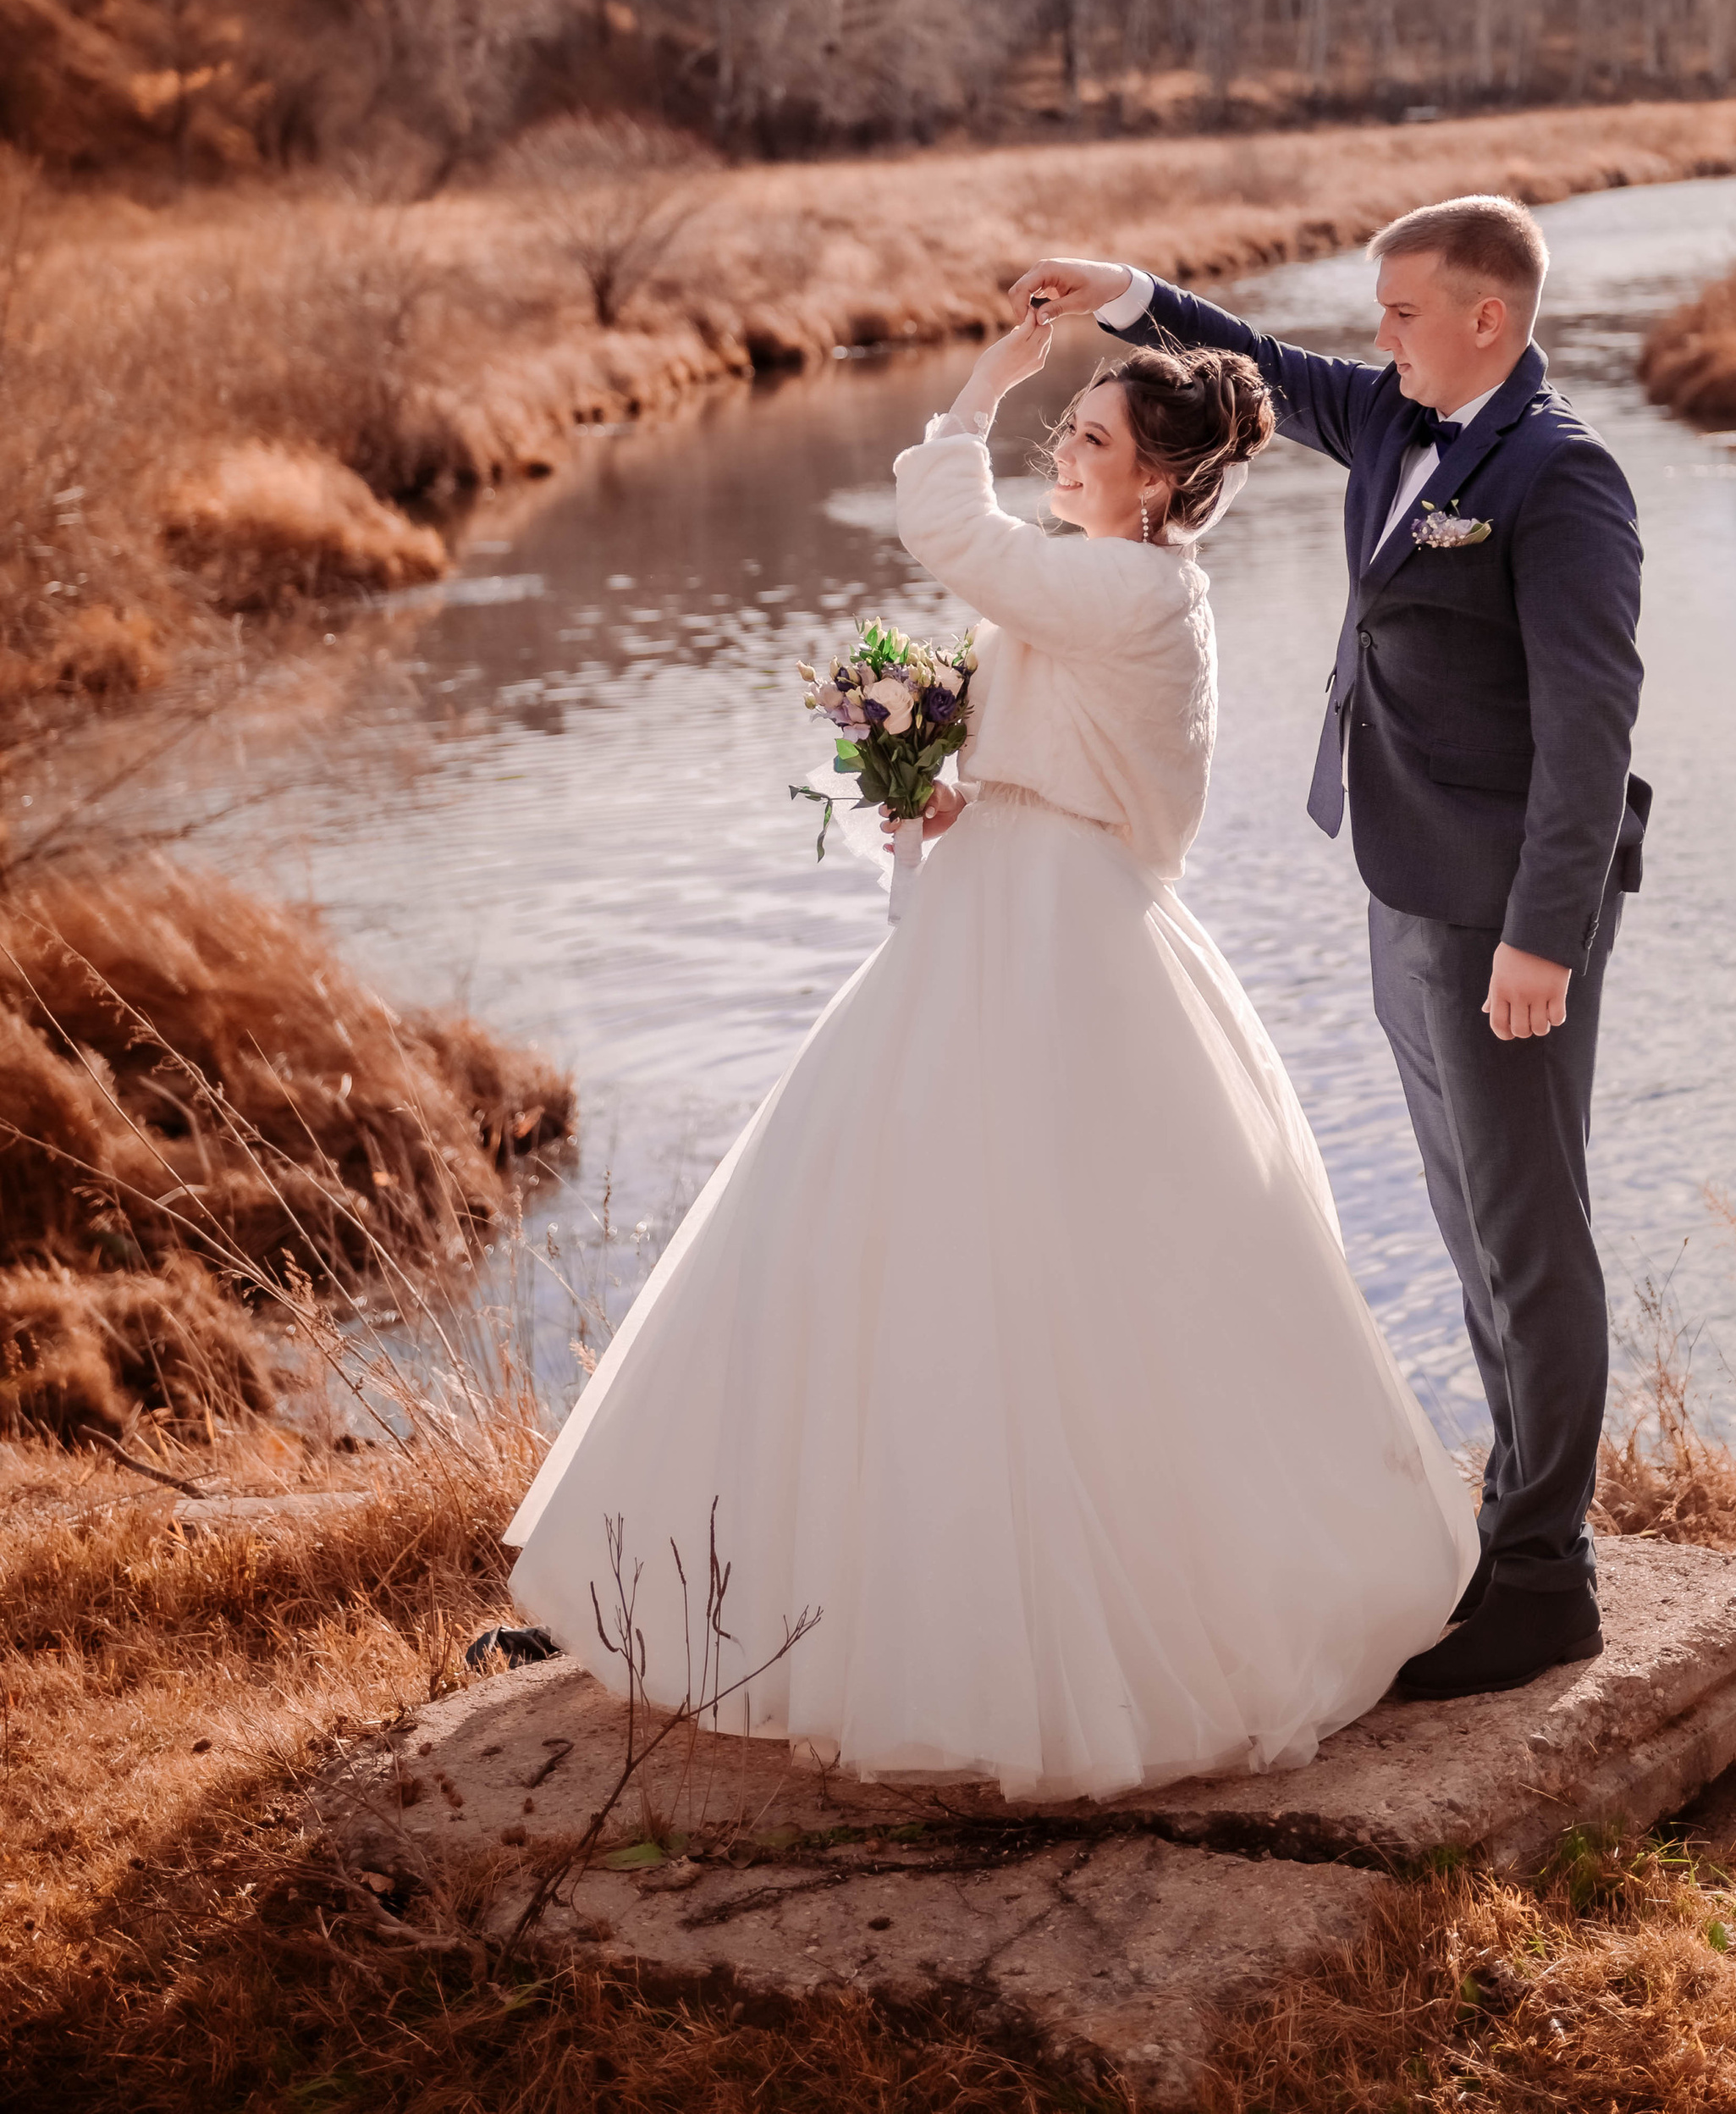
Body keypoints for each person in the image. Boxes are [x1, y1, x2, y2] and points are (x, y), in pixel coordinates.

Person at [504, 306, 1475, 1802]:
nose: (1060, 452)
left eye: (1090, 438)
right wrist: (943, 791)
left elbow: (950, 531)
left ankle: (1056, 1631)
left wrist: (975, 390)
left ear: (1157, 484)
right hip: (1006, 902)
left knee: (1047, 1247)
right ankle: (831, 1591)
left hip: (1054, 935)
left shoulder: (1131, 588)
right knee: (904, 1223)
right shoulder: (1107, 585)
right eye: (1063, 429)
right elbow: (1042, 732)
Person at [1009, 201, 1647, 1698]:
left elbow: (1591, 726)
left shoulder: (1561, 474)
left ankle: (1546, 1578)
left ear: (1489, 318)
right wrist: (1128, 293)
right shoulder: (1396, 418)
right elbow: (1266, 366)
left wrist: (1543, 936)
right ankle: (1509, 1531)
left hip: (1507, 916)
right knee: (1472, 1224)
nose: (1378, 334)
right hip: (1407, 881)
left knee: (1530, 1232)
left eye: (1403, 311)